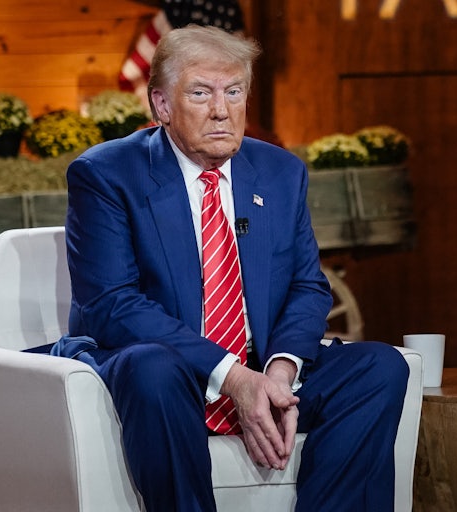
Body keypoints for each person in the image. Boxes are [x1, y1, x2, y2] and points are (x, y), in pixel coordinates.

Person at [58, 24, 409, 511]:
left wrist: (279, 374)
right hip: (165, 368)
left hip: (259, 361)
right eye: (200, 93)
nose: (221, 110)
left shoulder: (280, 171)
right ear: (161, 105)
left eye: (234, 92)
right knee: (153, 368)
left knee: (378, 366)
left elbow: (308, 286)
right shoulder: (106, 174)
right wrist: (233, 378)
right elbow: (110, 304)